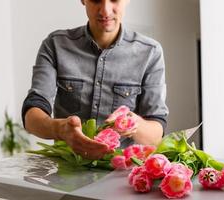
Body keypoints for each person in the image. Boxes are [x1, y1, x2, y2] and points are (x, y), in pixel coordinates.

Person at [22, 0, 168, 160]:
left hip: (120, 173)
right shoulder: (55, 45)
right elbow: (31, 117)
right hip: (66, 172)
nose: (105, 11)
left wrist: (134, 124)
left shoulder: (150, 52)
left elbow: (156, 135)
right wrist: (60, 129)